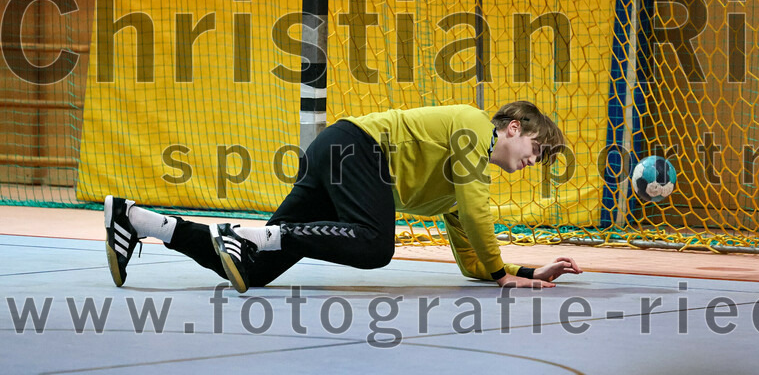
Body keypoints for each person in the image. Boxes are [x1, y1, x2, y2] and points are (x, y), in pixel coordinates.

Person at [103, 101, 582, 292]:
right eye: (535, 150)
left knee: (253, 269)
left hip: (340, 160)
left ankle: (139, 222)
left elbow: (471, 261)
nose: (531, 162)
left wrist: (522, 271)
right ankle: (249, 234)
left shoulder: (455, 190)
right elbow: (479, 215)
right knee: (375, 246)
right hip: (354, 149)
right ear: (513, 128)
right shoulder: (474, 129)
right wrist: (504, 276)